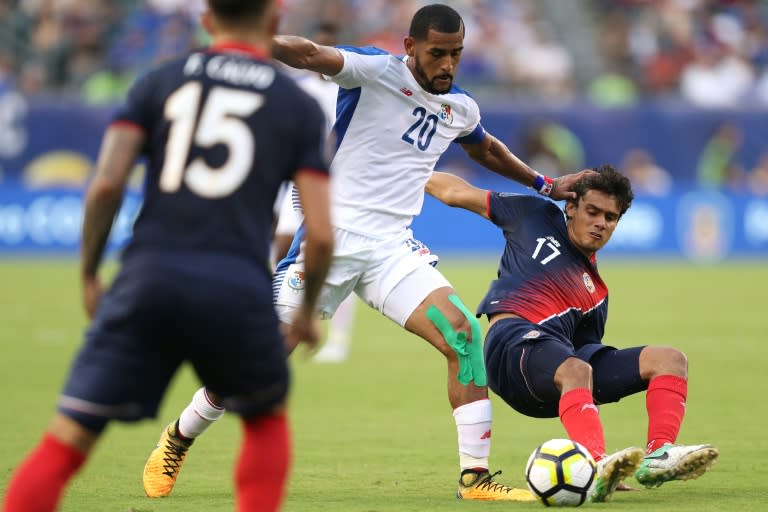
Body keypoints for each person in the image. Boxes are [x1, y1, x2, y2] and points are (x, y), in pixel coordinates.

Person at [143, 3, 588, 501]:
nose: (447, 64)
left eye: (456, 54)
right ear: (411, 48)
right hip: (329, 238)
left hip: (391, 249)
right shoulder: (375, 71)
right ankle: (179, 436)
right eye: (437, 53)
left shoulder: (460, 107)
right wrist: (246, 42)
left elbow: (483, 148)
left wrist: (545, 183)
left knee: (462, 335)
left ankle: (476, 478)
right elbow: (310, 53)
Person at [2, 1, 334, 511]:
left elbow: (107, 184)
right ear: (272, 24)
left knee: (67, 438)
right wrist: (307, 311)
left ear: (206, 22)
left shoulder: (159, 81)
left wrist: (90, 274)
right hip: (236, 285)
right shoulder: (298, 106)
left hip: (148, 275)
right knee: (265, 423)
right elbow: (322, 233)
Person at [425, 166, 719, 503]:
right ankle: (595, 464)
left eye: (611, 217)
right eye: (592, 212)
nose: (600, 223)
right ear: (571, 207)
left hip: (551, 372)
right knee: (576, 368)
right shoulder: (533, 215)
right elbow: (454, 192)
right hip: (510, 346)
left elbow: (585, 364)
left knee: (669, 359)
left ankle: (657, 456)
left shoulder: (597, 293)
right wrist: (410, 172)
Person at [273, 21, 358, 364]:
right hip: (295, 178)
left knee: (336, 256)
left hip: (333, 182)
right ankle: (280, 319)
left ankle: (337, 339)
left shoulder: (347, 88)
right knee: (281, 244)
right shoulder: (296, 89)